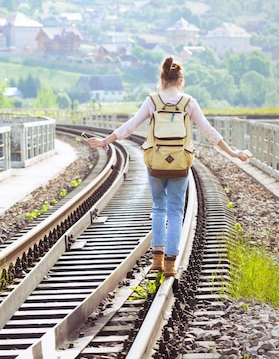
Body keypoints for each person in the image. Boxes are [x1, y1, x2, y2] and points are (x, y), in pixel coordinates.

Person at [87, 56, 251, 277]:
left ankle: (156, 259)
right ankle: (171, 264)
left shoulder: (152, 101)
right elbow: (209, 132)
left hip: (155, 161)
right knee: (175, 210)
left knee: (158, 208)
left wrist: (106, 141)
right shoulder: (188, 102)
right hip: (180, 162)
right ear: (180, 81)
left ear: (162, 80)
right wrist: (233, 152)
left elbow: (129, 126)